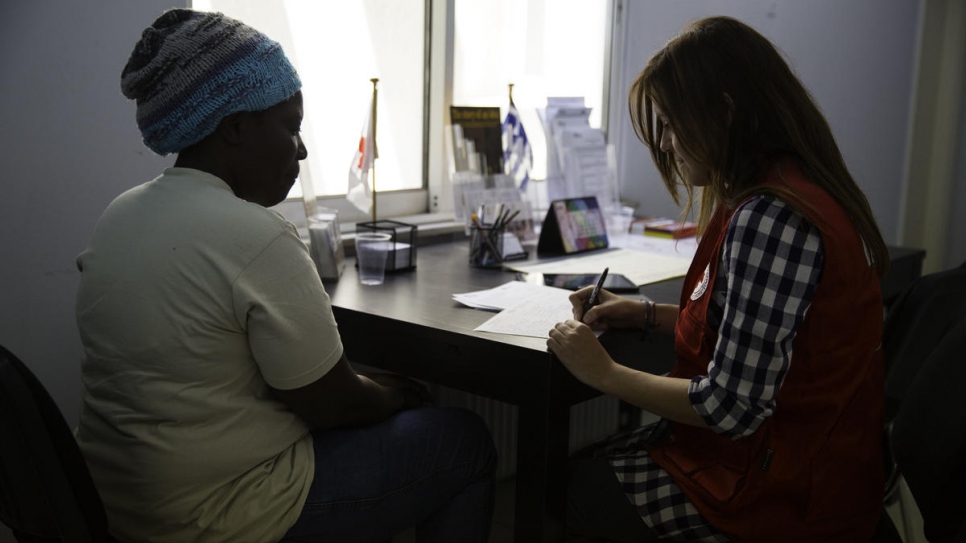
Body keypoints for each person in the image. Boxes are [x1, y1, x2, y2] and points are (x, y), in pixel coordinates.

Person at [74, 9, 496, 543]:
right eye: (291, 127)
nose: (299, 148)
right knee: (461, 439)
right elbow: (332, 404)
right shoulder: (257, 234)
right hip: (221, 514)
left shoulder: (120, 214)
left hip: (120, 504)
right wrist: (396, 394)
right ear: (236, 128)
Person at [548, 16, 889, 543]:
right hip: (808, 466)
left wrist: (604, 373)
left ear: (724, 113)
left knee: (577, 486)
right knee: (588, 471)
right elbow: (749, 329)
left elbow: (732, 407)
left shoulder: (771, 217)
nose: (664, 143)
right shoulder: (783, 190)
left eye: (669, 123)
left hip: (786, 496)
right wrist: (643, 313)